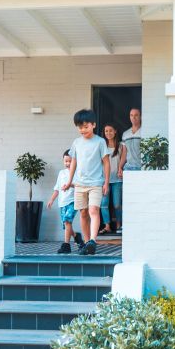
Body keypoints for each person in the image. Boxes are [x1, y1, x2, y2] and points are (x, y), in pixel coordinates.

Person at [63, 109, 110, 255]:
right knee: (83, 213)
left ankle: (93, 241)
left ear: (93, 125)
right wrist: (69, 181)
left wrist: (106, 183)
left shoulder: (100, 142)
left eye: (85, 126)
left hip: (96, 183)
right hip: (79, 184)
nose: (82, 130)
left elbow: (106, 163)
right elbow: (74, 163)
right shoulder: (76, 143)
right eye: (79, 127)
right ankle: (86, 242)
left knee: (93, 210)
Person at [46, 150, 84, 254]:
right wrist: (51, 200)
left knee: (67, 221)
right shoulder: (61, 173)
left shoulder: (78, 172)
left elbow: (80, 185)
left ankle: (66, 245)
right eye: (66, 161)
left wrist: (70, 185)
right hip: (62, 202)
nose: (67, 163)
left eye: (70, 161)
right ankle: (77, 237)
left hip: (73, 201)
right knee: (66, 225)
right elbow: (57, 188)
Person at [99, 123, 127, 234]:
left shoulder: (121, 145)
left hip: (117, 179)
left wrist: (120, 168)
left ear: (115, 131)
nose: (108, 133)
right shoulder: (102, 146)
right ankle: (107, 226)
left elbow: (123, 159)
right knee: (103, 204)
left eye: (110, 130)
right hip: (104, 179)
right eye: (106, 131)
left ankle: (119, 225)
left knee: (117, 204)